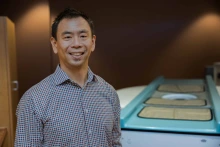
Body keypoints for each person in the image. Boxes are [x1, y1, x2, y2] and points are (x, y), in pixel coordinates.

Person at [15, 8, 121, 147]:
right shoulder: (33, 99)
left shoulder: (109, 92)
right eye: (67, 37)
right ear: (54, 44)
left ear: (93, 42)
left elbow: (114, 143)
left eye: (83, 36)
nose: (76, 44)